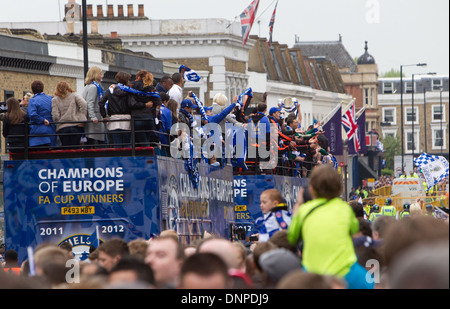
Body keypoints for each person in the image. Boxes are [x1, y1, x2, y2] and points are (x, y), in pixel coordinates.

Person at [287, 164, 373, 289]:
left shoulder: (304, 210)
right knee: (370, 283)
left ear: (311, 189)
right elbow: (354, 230)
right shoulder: (345, 209)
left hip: (312, 274)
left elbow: (291, 237)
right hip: (346, 272)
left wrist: (298, 205)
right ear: (340, 190)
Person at [98, 72, 148, 148]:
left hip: (113, 120)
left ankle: (118, 159)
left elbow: (101, 103)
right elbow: (132, 104)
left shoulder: (110, 90)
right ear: (126, 80)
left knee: (116, 145)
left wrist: (104, 115)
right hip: (127, 120)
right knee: (127, 145)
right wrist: (144, 105)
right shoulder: (129, 91)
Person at [51, 81, 87, 149]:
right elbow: (84, 104)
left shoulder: (54, 100)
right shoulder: (74, 95)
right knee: (75, 149)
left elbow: (55, 115)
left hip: (62, 127)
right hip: (75, 125)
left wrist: (57, 123)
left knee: (66, 150)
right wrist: (81, 116)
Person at [130, 70, 162, 147]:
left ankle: (143, 157)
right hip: (148, 118)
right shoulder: (151, 88)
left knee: (140, 141)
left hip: (137, 117)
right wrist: (155, 114)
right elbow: (158, 102)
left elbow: (131, 103)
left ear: (138, 77)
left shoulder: (132, 85)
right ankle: (147, 155)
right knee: (146, 139)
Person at [27, 80, 57, 150]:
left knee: (39, 158)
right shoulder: (50, 99)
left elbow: (32, 114)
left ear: (32, 90)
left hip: (39, 135)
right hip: (52, 131)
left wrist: (42, 120)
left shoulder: (33, 100)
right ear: (42, 88)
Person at [82, 66, 107, 147]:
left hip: (95, 116)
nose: (101, 76)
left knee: (92, 141)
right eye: (100, 74)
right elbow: (90, 102)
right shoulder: (93, 87)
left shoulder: (89, 86)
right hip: (95, 117)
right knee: (96, 141)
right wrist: (93, 117)